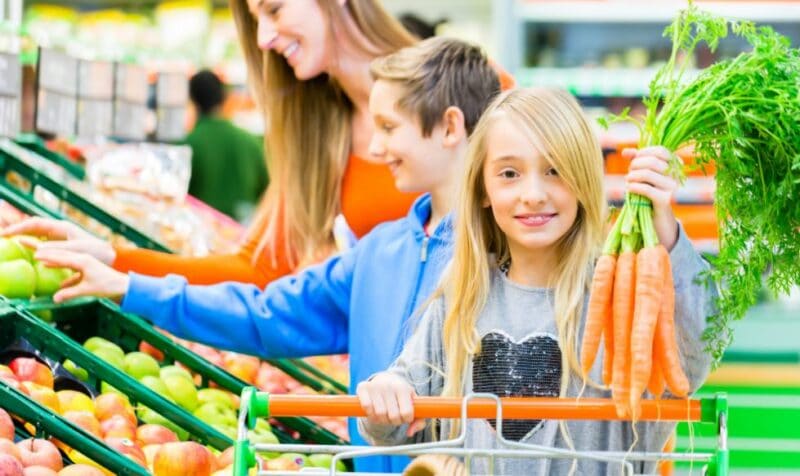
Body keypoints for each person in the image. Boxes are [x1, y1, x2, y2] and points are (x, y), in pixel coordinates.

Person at [32, 37, 502, 473]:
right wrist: (130, 285)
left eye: (388, 127)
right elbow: (265, 313)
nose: (375, 148)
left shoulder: (502, 254)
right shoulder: (380, 251)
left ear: (450, 126)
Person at [5, 0, 513, 287]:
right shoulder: (319, 134)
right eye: (256, 22)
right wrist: (115, 260)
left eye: (273, 10)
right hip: (383, 404)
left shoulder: (473, 91)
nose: (266, 38)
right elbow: (260, 270)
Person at [356, 88, 717, 475]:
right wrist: (384, 393)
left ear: (582, 180)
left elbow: (692, 360)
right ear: (482, 189)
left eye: (555, 170)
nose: (533, 194)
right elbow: (390, 429)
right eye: (509, 174)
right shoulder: (462, 296)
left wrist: (666, 235)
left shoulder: (620, 293)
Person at [184, 69, 268, 222]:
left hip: (202, 232)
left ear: (193, 100)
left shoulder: (189, 145)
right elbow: (267, 190)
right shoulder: (250, 142)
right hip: (244, 232)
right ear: (223, 98)